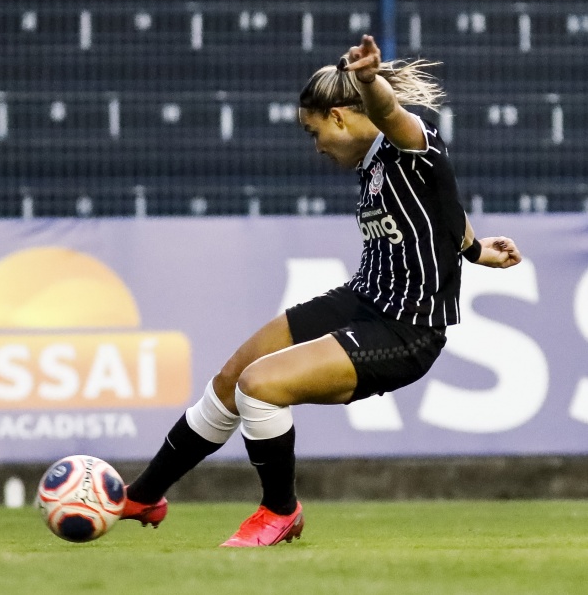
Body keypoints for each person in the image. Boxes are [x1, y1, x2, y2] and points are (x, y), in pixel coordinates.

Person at [119, 35, 522, 547]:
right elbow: (447, 204)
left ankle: (279, 510)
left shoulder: (409, 143)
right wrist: (473, 251)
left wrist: (371, 81)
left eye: (316, 133)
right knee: (232, 376)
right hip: (361, 299)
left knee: (260, 386)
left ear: (338, 116)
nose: (318, 148)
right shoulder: (376, 165)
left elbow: (393, 114)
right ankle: (145, 494)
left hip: (406, 329)